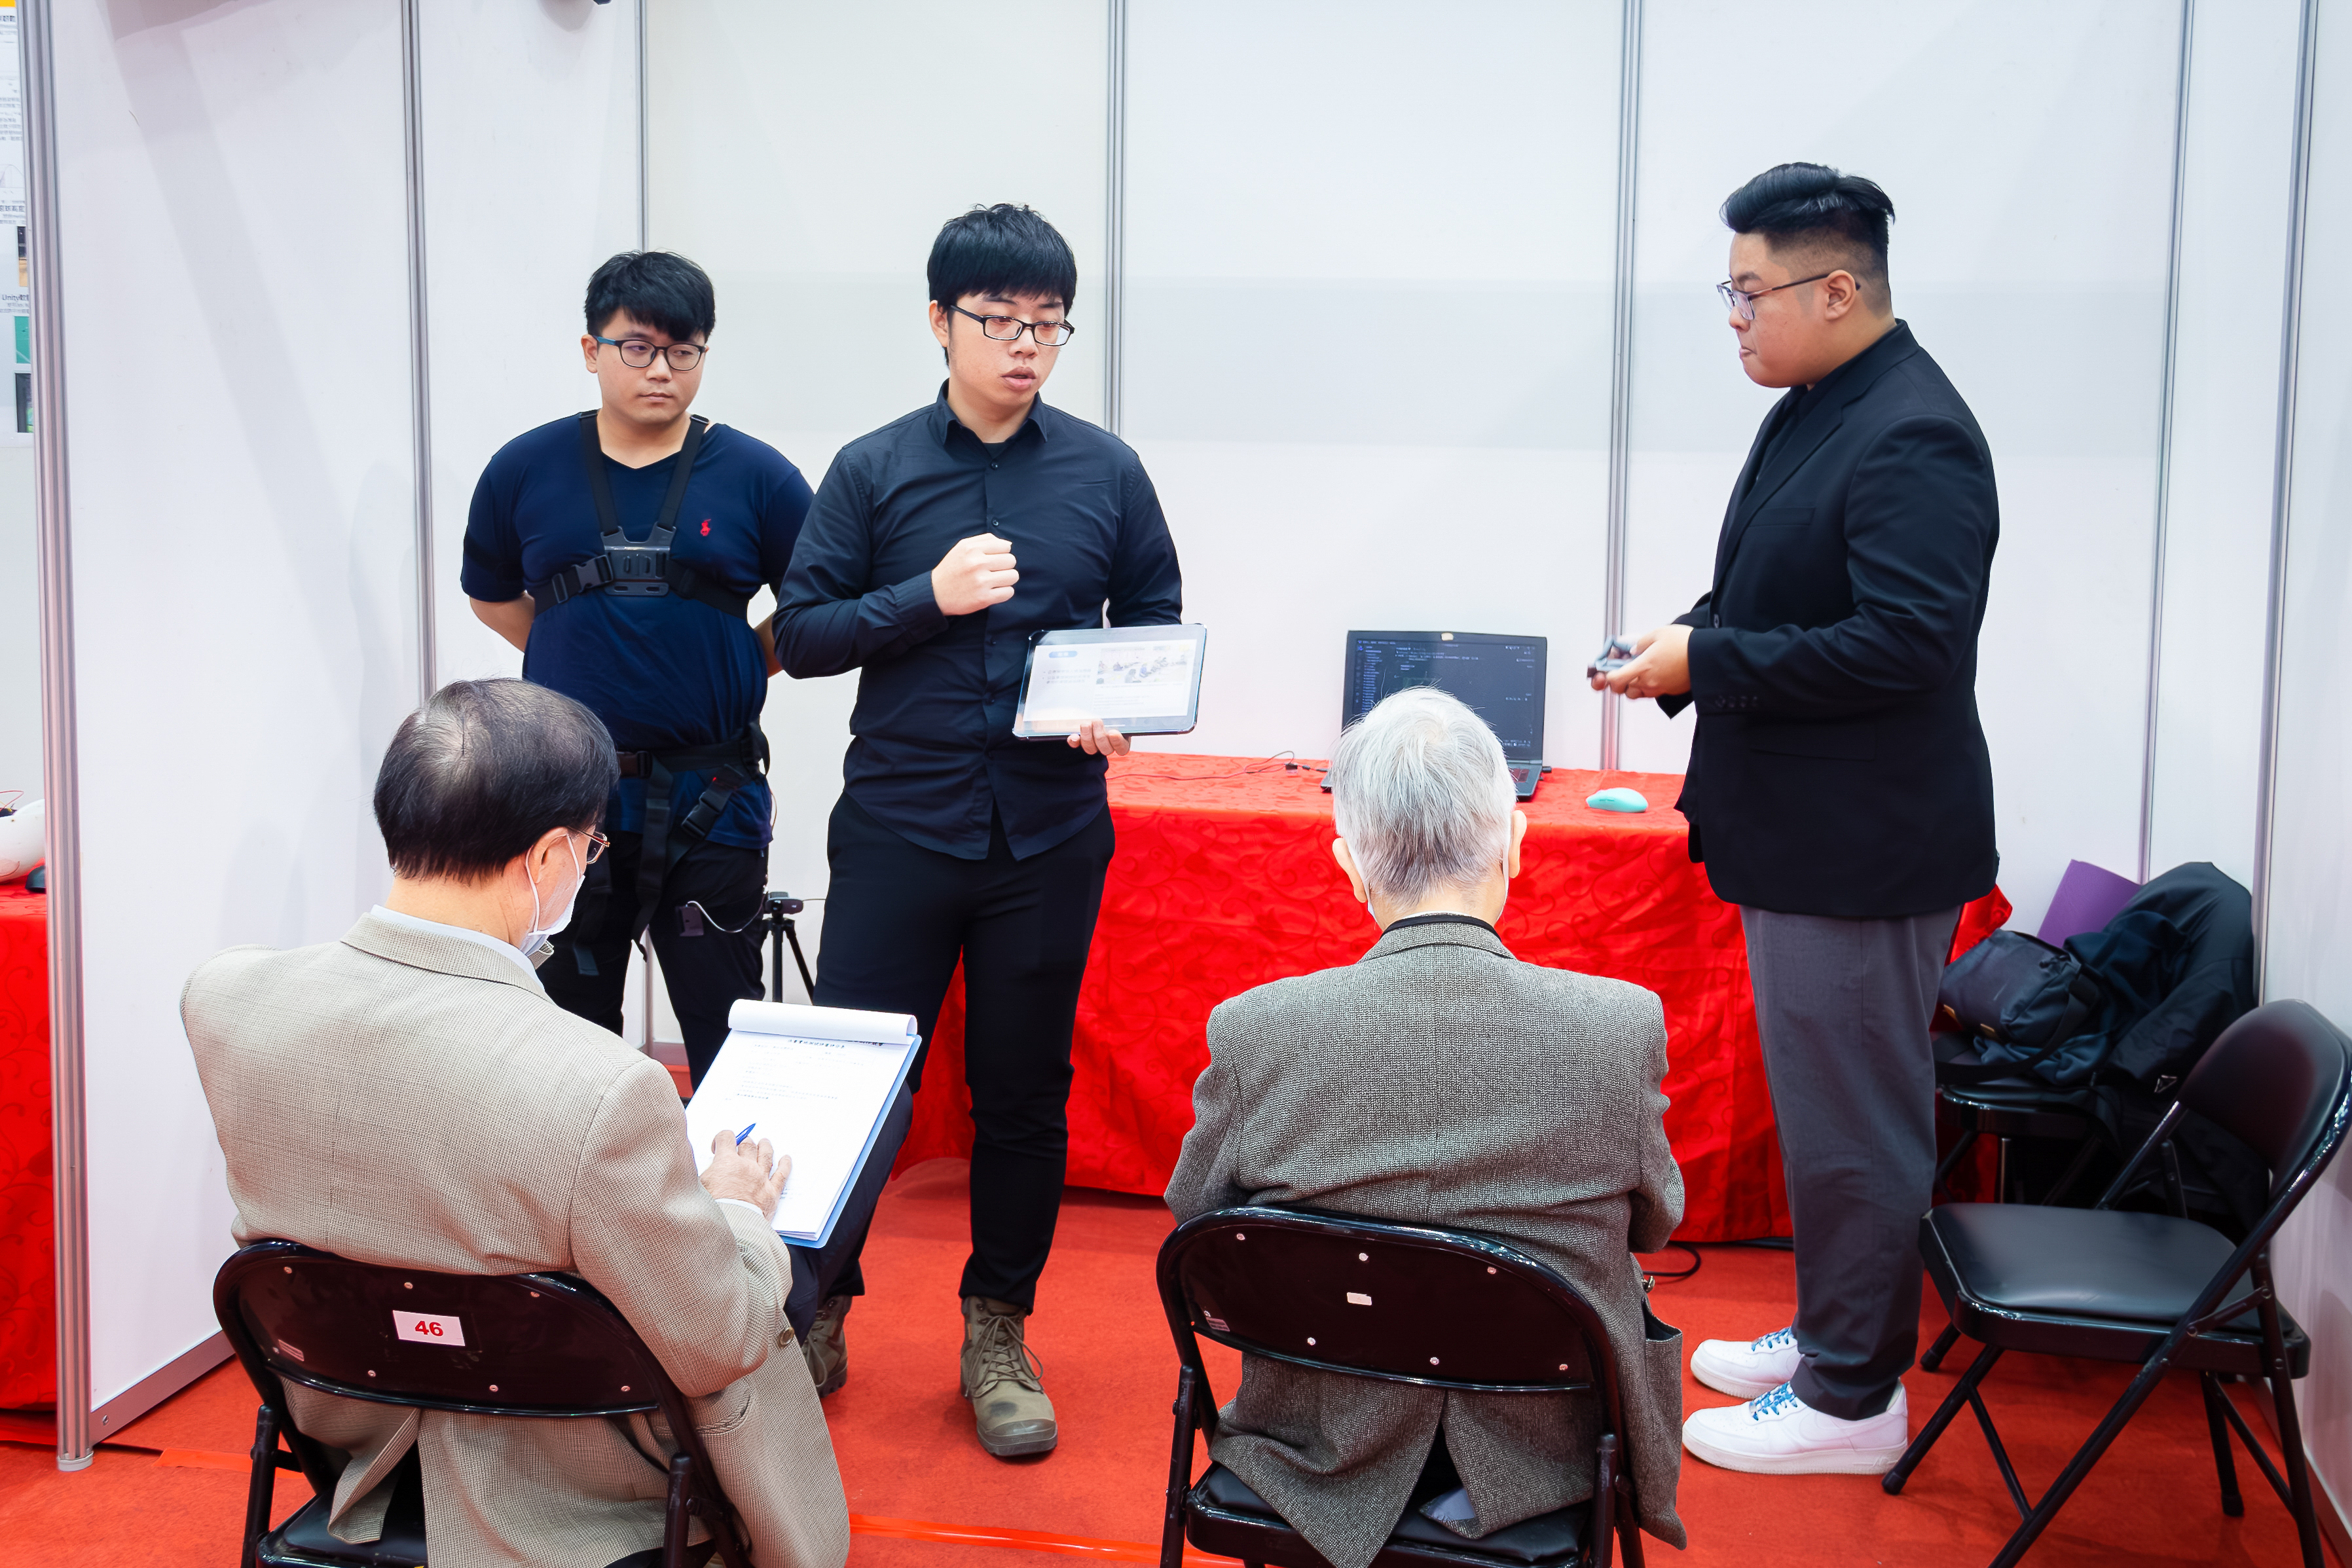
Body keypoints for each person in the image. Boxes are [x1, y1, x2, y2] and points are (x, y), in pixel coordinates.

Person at [182, 680, 848, 1568]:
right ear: (546, 858)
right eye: (593, 845)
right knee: (768, 1283)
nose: (591, 863)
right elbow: (712, 1341)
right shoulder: (602, 1084)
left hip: (353, 1427)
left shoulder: (225, 1000)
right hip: (564, 1474)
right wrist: (737, 1211)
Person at [1596, 163, 1999, 1475]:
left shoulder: (1913, 432)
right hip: (1810, 836)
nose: (1732, 318)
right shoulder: (1822, 404)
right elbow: (1780, 592)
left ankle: (1851, 1397)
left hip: (1861, 850)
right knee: (1827, 1116)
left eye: (1747, 291)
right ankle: (1834, 1333)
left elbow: (1905, 644)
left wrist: (1705, 662)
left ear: (1835, 289)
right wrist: (1680, 641)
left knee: (1855, 1125)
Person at [772, 203, 1182, 1455]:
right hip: (898, 827)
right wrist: (926, 597)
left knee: (1021, 1093)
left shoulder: (1105, 471)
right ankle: (816, 1309)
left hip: (1047, 834)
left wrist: (1120, 706)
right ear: (940, 321)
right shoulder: (873, 468)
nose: (1026, 347)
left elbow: (1153, 620)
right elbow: (802, 635)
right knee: (853, 1085)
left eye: (1049, 325)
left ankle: (998, 1328)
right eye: (1001, 321)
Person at [1165, 687, 1687, 1568]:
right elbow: (1655, 1222)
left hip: (1315, 1448)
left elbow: (1200, 1227)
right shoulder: (1618, 1026)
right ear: (1515, 842)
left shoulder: (1254, 1029)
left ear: (1349, 865)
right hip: (1545, 1455)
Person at [464, 250, 814, 1089]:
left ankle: (731, 1176)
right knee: (566, 1047)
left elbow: (813, 608)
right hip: (566, 801)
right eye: (638, 347)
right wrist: (571, 658)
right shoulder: (524, 468)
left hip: (713, 800)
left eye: (683, 350)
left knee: (728, 1039)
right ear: (592, 350)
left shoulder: (760, 477)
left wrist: (738, 664)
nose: (661, 369)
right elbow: (491, 595)